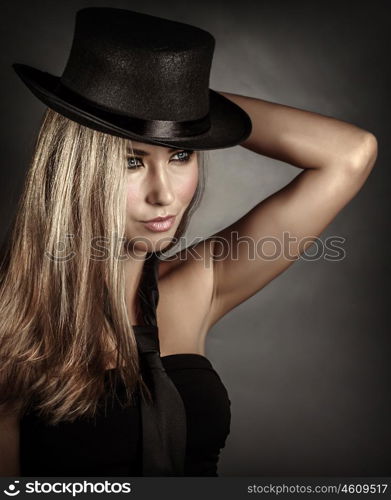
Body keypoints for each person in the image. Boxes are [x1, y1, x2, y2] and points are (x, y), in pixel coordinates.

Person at [0, 7, 377, 477]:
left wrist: (171, 94)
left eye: (180, 154)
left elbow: (349, 154)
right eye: (132, 161)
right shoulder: (12, 328)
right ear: (78, 169)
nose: (164, 194)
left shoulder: (198, 285)